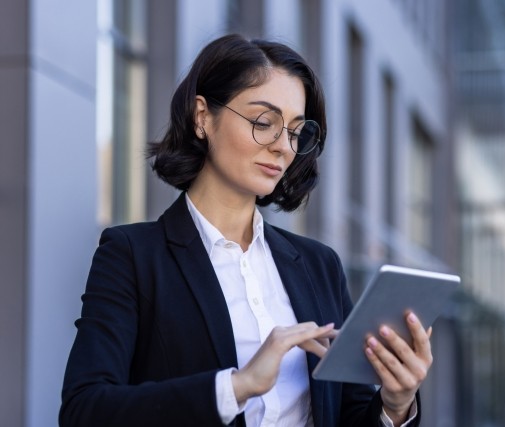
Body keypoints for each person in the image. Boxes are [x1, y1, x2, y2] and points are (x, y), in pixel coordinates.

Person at [60, 34, 433, 427]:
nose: (282, 147)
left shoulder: (319, 265)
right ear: (202, 117)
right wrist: (237, 386)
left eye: (294, 131)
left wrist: (395, 405)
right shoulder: (132, 255)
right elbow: (85, 410)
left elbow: (348, 415)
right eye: (264, 122)